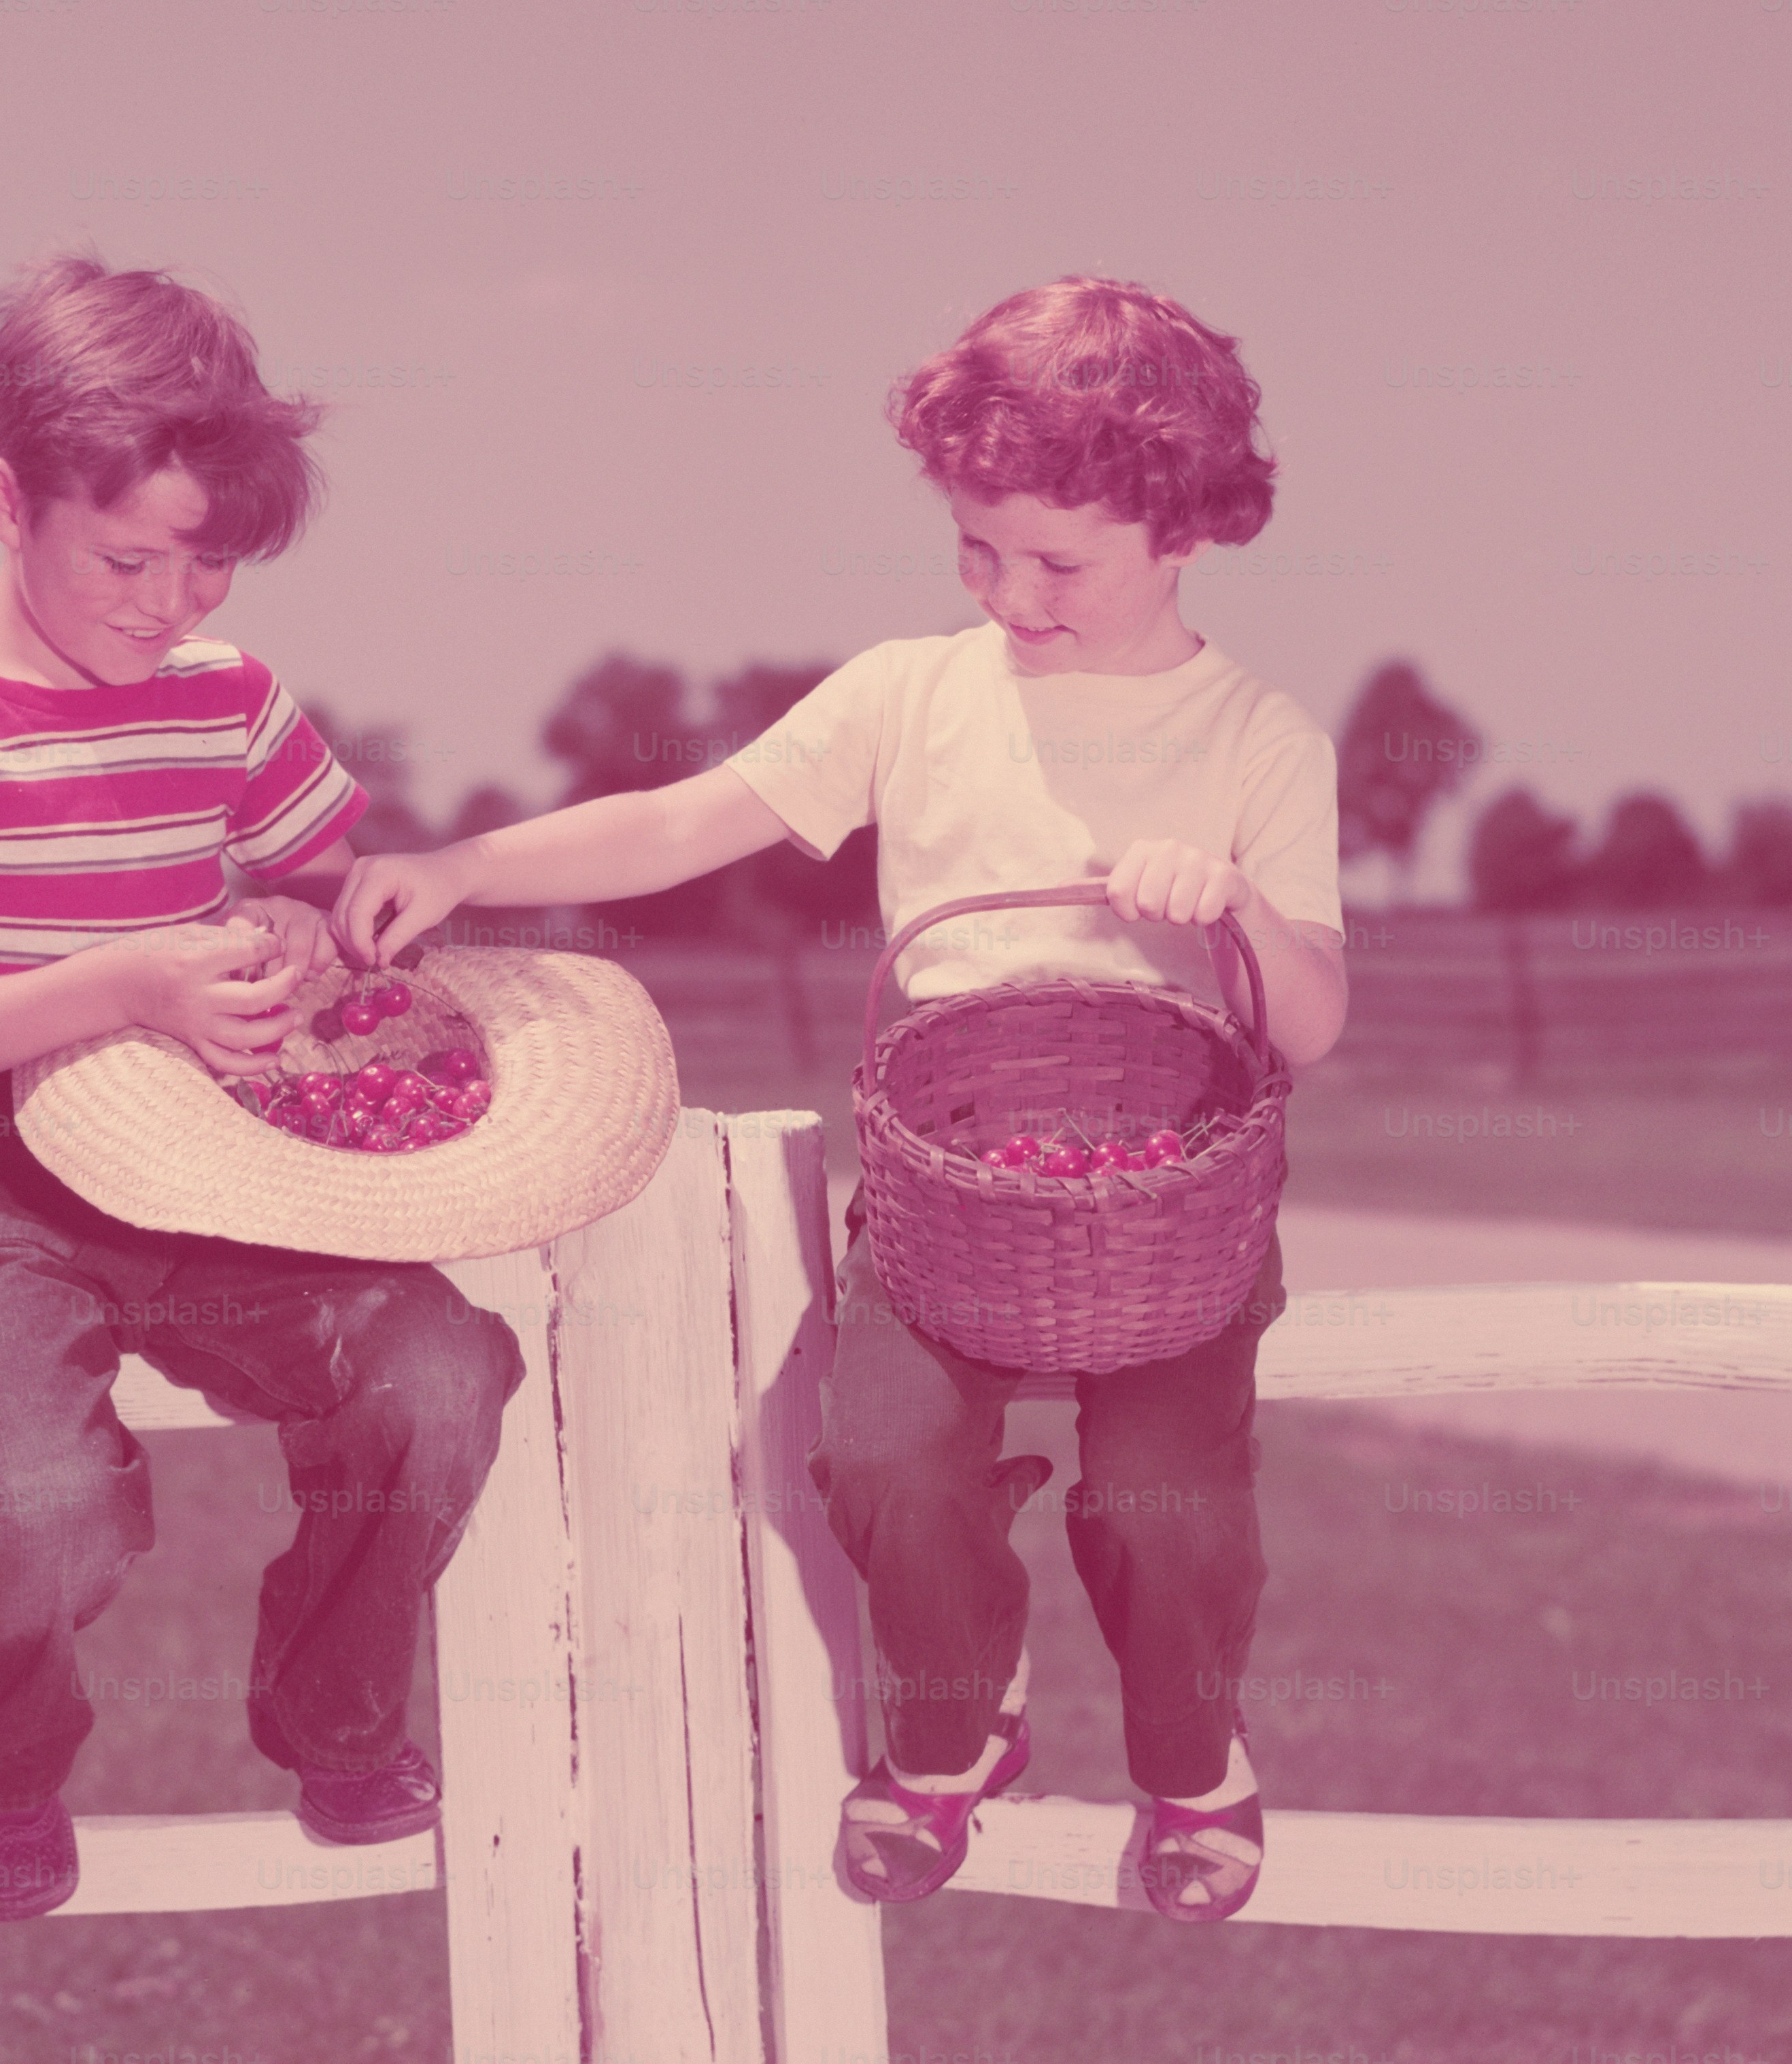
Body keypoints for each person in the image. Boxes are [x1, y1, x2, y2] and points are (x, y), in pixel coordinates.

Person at [338, 276, 1347, 1923]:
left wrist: (1223, 906)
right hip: (948, 1187)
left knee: (1168, 1504)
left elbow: (1309, 1019)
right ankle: (952, 1738)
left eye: (1055, 561)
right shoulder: (909, 694)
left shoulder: (1254, 736)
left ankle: (1192, 1758)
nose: (1007, 594)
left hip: (1171, 1210)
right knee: (880, 1454)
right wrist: (462, 864)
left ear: (1181, 527)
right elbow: (678, 824)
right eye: (974, 547)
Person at [0, 253, 524, 1921]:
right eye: (128, 557)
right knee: (45, 1509)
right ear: (4, 498)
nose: (171, 602)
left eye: (207, 565)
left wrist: (303, 916)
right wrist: (128, 977)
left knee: (431, 1370)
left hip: (217, 1162)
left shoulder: (227, 698)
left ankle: (337, 1719)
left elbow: (343, 902)